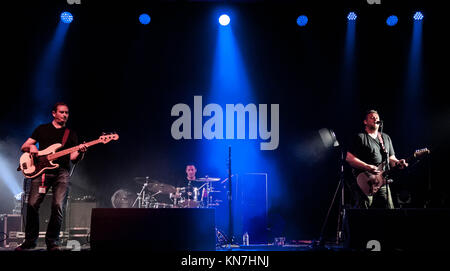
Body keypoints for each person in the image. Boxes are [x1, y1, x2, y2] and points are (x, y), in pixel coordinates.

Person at [16, 102, 87, 251]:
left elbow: (73, 158)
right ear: (54, 113)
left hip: (61, 172)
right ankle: (30, 241)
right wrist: (32, 147)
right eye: (62, 112)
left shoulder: (71, 134)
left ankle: (52, 241)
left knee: (58, 206)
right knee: (32, 205)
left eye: (67, 113)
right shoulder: (42, 129)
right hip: (41, 171)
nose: (65, 115)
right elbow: (24, 146)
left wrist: (80, 151)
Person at [346, 110, 408, 209]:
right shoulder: (360, 137)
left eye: (377, 117)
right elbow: (349, 158)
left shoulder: (385, 137)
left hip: (382, 181)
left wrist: (398, 163)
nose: (375, 119)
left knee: (389, 209)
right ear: (365, 122)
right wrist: (367, 166)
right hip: (365, 181)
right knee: (363, 210)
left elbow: (391, 158)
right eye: (372, 117)